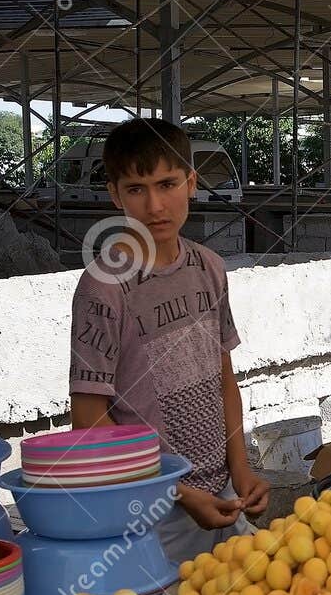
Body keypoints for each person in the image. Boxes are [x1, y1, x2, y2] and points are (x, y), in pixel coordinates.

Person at [69, 117, 269, 567]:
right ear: (115, 195)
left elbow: (224, 381)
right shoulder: (104, 287)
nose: (155, 204)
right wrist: (176, 491)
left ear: (191, 183)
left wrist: (241, 471)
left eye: (168, 183)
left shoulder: (210, 268)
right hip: (149, 512)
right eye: (136, 189)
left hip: (221, 497)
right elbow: (88, 420)